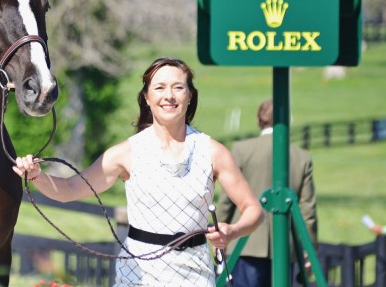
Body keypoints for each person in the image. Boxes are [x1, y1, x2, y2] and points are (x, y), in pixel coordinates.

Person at [14, 57, 264, 286]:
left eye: (178, 87)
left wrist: (233, 231)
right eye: (160, 87)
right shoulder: (125, 153)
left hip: (195, 273)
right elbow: (69, 190)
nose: (169, 95)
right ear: (146, 97)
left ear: (190, 95)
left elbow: (254, 211)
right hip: (137, 275)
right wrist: (37, 176)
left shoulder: (213, 152)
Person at [216, 99, 318, 287]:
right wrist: (310, 250)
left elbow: (226, 201)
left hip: (244, 246)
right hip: (286, 250)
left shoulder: (242, 150)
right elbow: (308, 210)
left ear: (259, 120)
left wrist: (218, 237)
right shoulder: (301, 156)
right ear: (288, 120)